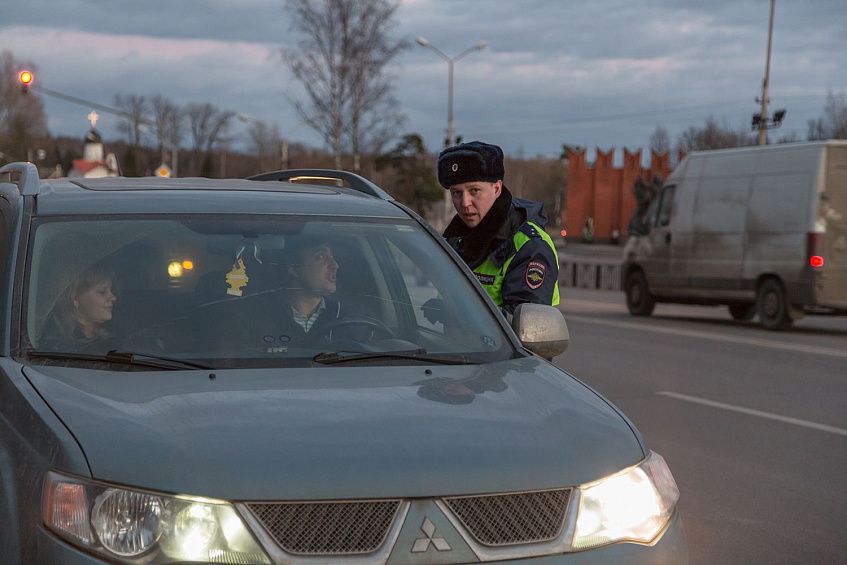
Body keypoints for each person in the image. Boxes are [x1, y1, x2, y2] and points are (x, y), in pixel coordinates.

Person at [425, 141, 560, 322]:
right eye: (456, 193)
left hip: (500, 351)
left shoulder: (529, 245)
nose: (465, 203)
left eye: (474, 191)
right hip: (455, 349)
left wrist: (451, 313)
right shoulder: (455, 239)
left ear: (497, 188)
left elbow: (521, 327)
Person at [39, 265, 118, 352]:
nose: (113, 298)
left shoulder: (112, 339)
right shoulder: (56, 346)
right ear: (75, 299)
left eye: (111, 290)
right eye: (102, 292)